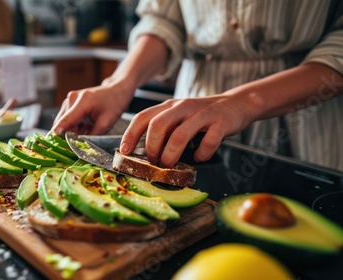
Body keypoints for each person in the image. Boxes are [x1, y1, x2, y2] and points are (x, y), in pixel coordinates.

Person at [52, 0, 343, 171]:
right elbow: (163, 21)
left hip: (304, 115)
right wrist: (119, 83)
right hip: (191, 116)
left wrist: (245, 100)